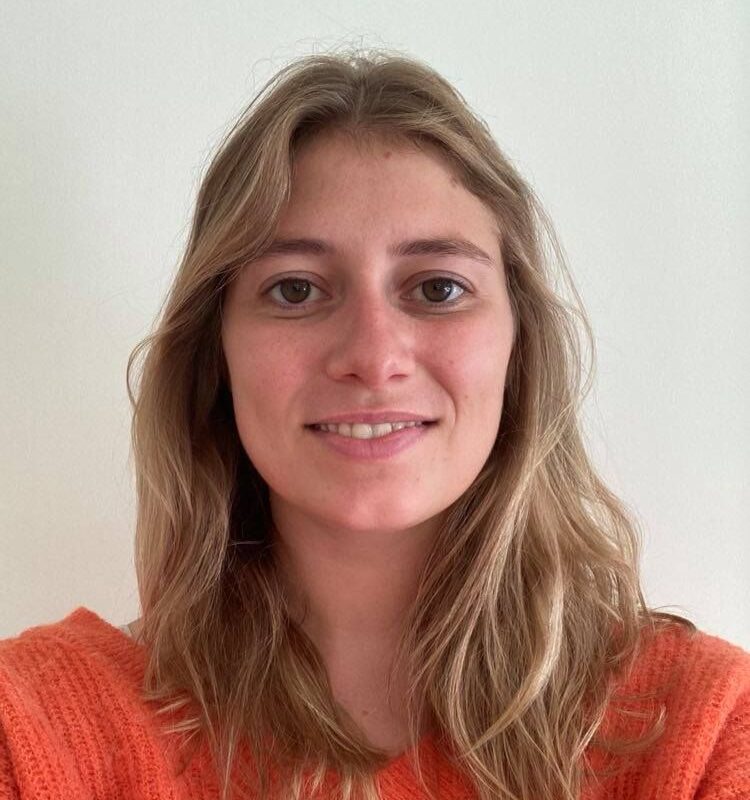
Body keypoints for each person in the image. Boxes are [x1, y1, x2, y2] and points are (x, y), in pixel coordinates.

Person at [0, 49, 748, 800]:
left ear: (518, 346)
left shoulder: (704, 733)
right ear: (214, 354)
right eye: (295, 290)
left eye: (438, 288)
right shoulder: (31, 735)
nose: (373, 356)